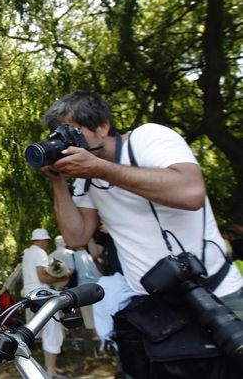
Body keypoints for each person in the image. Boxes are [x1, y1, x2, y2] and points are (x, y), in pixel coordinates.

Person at [40, 90, 243, 378]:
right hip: (153, 311)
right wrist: (58, 183)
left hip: (217, 295)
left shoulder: (148, 138)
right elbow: (76, 238)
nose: (65, 142)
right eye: (57, 135)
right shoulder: (86, 179)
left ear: (103, 126)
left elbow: (191, 192)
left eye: (72, 131)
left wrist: (101, 168)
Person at [21, 228, 70, 378]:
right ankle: (50, 371)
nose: (47, 244)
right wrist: (62, 278)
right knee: (53, 332)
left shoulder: (27, 253)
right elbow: (42, 277)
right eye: (47, 241)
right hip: (42, 295)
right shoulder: (40, 253)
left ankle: (51, 368)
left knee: (44, 332)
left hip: (30, 296)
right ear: (43, 240)